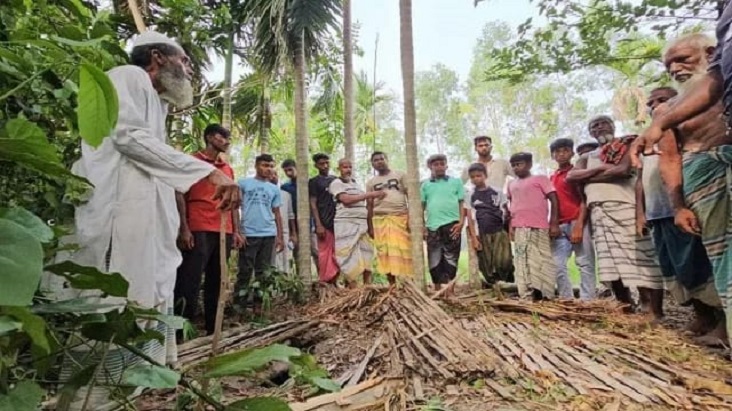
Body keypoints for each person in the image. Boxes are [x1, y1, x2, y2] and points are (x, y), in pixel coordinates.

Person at [62, 31, 240, 410]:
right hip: (117, 212)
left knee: (143, 292)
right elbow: (127, 137)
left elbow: (153, 157)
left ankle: (126, 390)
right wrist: (206, 173)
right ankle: (88, 399)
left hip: (140, 217)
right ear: (158, 57)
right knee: (111, 298)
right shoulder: (127, 76)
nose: (189, 69)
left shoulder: (156, 102)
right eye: (185, 61)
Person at [647, 34, 730, 343]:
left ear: (710, 52)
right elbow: (669, 159)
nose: (675, 68)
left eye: (682, 59)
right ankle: (723, 327)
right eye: (669, 64)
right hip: (702, 186)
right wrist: (678, 205)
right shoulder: (667, 111)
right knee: (718, 258)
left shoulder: (724, 82)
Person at [567, 116, 664, 317]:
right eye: (594, 126)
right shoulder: (588, 156)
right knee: (611, 263)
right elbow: (571, 176)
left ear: (613, 125)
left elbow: (623, 170)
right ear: (591, 133)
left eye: (603, 123)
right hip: (599, 213)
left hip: (625, 206)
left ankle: (652, 309)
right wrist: (601, 168)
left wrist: (589, 177)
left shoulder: (627, 144)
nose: (599, 127)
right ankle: (625, 306)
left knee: (641, 258)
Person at [174, 124, 243, 336]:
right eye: (222, 137)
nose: (226, 141)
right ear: (210, 137)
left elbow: (232, 202)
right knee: (190, 279)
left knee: (218, 278)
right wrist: (184, 228)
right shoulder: (191, 161)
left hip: (224, 229)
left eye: (227, 138)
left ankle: (214, 327)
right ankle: (181, 329)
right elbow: (179, 193)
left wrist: (237, 231)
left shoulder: (227, 168)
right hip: (199, 225)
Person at [506, 152, 559, 300]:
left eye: (520, 164)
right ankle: (526, 294)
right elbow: (511, 206)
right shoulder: (511, 184)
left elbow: (554, 199)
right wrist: (511, 227)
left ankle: (547, 294)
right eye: (514, 165)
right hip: (519, 228)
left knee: (542, 259)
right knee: (522, 260)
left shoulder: (540, 179)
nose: (516, 168)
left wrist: (554, 223)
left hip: (539, 227)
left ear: (529, 164)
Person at [549, 138, 596, 300]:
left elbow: (585, 199)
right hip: (559, 226)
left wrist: (580, 225)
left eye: (565, 150)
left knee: (584, 262)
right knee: (557, 264)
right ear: (552, 155)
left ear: (571, 152)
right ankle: (566, 298)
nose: (561, 154)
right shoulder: (552, 177)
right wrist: (552, 223)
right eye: (557, 152)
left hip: (577, 221)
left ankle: (587, 300)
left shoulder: (576, 173)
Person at [236, 154, 284, 314]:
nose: (268, 169)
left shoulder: (274, 189)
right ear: (256, 166)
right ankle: (239, 306)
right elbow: (235, 208)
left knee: (263, 272)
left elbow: (277, 213)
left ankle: (258, 306)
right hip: (248, 233)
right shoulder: (243, 184)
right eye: (264, 165)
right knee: (244, 270)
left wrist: (280, 237)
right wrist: (237, 231)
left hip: (268, 234)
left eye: (271, 166)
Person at [330, 159, 385, 287]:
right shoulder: (336, 183)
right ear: (339, 169)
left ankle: (367, 286)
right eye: (345, 167)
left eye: (350, 167)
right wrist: (370, 194)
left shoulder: (355, 184)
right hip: (346, 224)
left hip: (362, 224)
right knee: (347, 253)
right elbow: (346, 200)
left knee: (367, 252)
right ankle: (352, 287)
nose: (348, 170)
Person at [421, 154, 466, 298]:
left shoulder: (456, 182)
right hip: (432, 226)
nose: (439, 166)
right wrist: (422, 225)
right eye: (436, 164)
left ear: (446, 166)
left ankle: (450, 290)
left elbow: (461, 203)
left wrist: (461, 222)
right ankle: (437, 289)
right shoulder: (426, 185)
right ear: (430, 167)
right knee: (434, 257)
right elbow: (421, 206)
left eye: (442, 163)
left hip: (452, 225)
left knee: (452, 257)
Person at [366, 152, 413, 284]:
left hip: (399, 218)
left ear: (387, 159)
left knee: (404, 251)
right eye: (376, 160)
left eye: (382, 159)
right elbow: (369, 205)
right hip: (379, 221)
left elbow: (411, 196)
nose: (379, 162)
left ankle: (408, 283)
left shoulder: (400, 175)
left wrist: (410, 217)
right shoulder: (371, 183)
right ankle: (392, 285)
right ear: (372, 164)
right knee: (384, 253)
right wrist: (370, 226)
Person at [464, 163, 513, 287]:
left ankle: (508, 285)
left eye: (479, 175)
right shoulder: (470, 195)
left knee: (504, 260)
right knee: (486, 262)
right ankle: (493, 285)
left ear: (485, 175)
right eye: (473, 177)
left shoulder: (497, 192)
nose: (476, 179)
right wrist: (474, 238)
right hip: (482, 232)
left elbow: (506, 211)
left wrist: (509, 229)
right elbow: (470, 217)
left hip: (499, 230)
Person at [281, 159, 318, 271]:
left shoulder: (308, 184)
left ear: (297, 168)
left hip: (309, 224)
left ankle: (323, 279)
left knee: (315, 251)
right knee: (297, 254)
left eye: (290, 170)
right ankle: (300, 279)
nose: (288, 173)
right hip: (293, 226)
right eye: (286, 171)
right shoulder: (285, 187)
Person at [309, 153, 339, 283]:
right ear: (316, 165)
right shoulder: (314, 182)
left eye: (327, 163)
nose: (325, 166)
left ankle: (336, 281)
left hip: (338, 222)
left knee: (337, 254)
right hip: (324, 222)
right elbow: (313, 203)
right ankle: (326, 282)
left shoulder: (336, 180)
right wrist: (318, 224)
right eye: (322, 163)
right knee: (324, 254)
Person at [271, 172, 297, 274]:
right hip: (270, 231)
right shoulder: (265, 193)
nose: (273, 177)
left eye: (275, 175)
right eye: (271, 175)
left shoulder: (286, 194)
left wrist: (293, 233)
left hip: (285, 231)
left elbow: (291, 215)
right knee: (272, 261)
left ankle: (286, 283)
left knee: (286, 260)